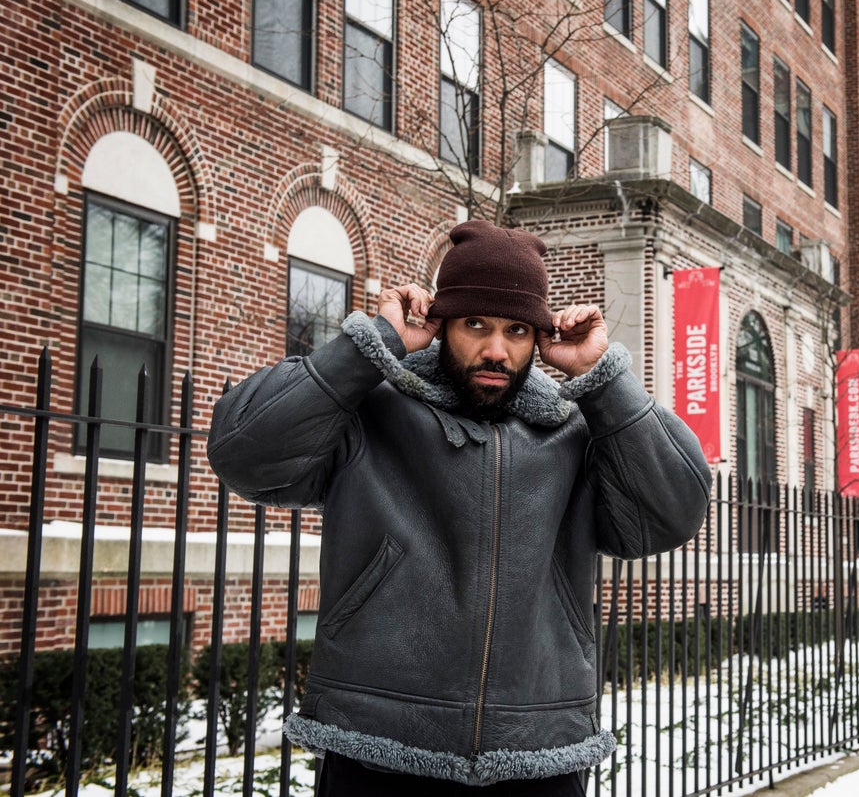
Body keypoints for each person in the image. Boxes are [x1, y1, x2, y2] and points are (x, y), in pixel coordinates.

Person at [207, 220, 711, 795]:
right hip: (380, 752)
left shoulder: (575, 436)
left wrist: (604, 383)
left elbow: (673, 512)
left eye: (517, 330)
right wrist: (371, 345)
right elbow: (240, 453)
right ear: (442, 323)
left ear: (537, 338)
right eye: (476, 324)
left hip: (539, 756)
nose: (496, 350)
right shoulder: (369, 414)